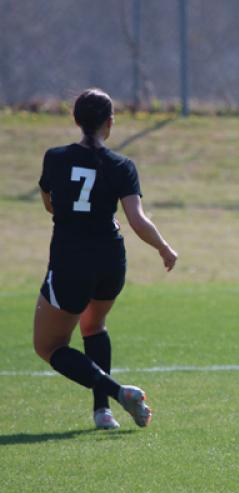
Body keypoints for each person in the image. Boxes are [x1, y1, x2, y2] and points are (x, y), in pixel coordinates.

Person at [33, 88, 178, 429]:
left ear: (76, 119)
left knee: (48, 346)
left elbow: (49, 202)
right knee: (93, 325)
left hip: (71, 261)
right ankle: (103, 414)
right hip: (111, 260)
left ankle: (117, 394)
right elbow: (137, 220)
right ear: (110, 122)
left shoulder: (54, 157)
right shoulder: (121, 166)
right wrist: (164, 248)